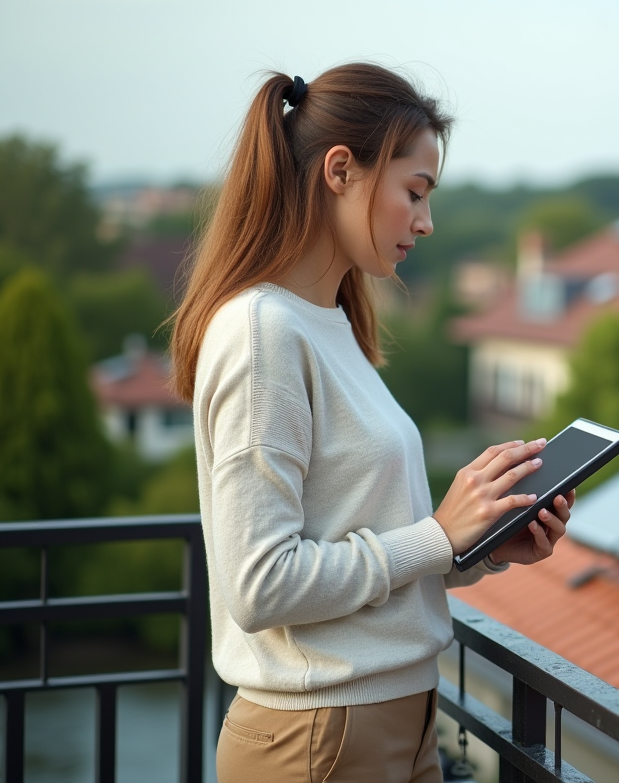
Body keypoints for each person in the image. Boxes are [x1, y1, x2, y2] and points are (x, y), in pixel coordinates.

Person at [169, 63, 573, 783]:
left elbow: (360, 546)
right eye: (414, 192)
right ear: (340, 171)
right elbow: (260, 585)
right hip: (319, 737)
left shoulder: (334, 326)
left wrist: (473, 550)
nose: (425, 220)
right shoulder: (261, 332)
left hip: (397, 723)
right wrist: (438, 535)